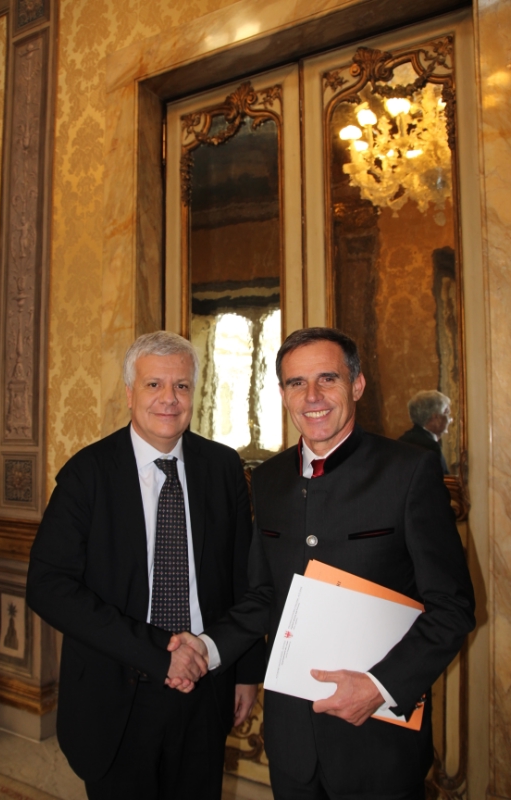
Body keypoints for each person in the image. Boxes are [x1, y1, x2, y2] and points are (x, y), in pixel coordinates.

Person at [170, 327, 475, 800]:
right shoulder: (268, 479)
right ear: (283, 394)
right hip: (292, 745)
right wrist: (206, 648)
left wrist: (380, 687)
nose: (312, 396)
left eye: (327, 379)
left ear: (357, 385)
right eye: (297, 383)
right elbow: (264, 595)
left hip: (379, 744)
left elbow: (453, 608)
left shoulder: (408, 471)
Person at [26, 331, 264, 800]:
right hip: (117, 692)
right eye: (154, 384)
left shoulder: (223, 468)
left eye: (181, 386)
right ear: (130, 393)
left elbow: (244, 578)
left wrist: (245, 670)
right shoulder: (87, 473)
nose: (169, 399)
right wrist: (158, 653)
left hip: (206, 685)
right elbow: (48, 585)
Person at [398, 389, 453, 473]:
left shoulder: (402, 441)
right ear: (436, 417)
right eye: (446, 413)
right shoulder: (431, 447)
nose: (450, 420)